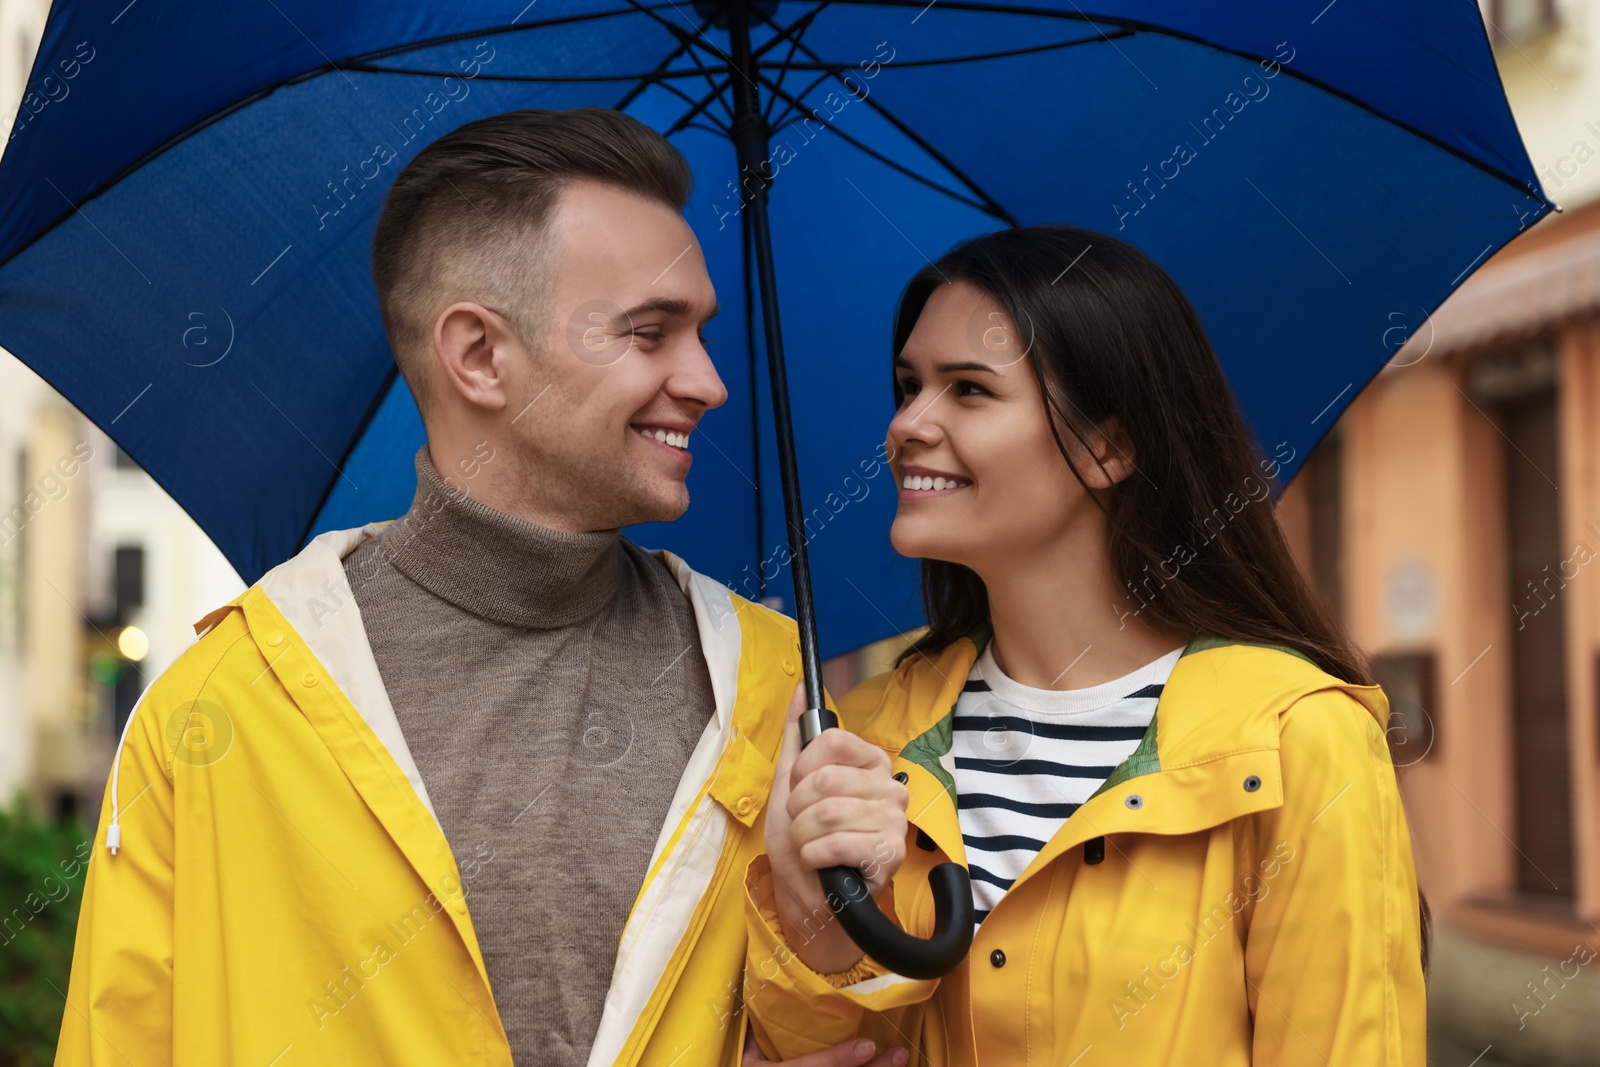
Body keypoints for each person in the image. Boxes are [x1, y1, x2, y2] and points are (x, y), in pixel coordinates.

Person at [56, 107, 906, 1067]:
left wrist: (822, 941)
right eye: (650, 331)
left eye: (701, 333)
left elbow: (863, 1036)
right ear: (478, 356)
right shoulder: (216, 715)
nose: (708, 380)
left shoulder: (781, 690)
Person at [742, 225, 1429, 1065]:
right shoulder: (860, 741)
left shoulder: (1294, 739)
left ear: (1109, 446)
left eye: (968, 390)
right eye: (908, 385)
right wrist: (817, 920)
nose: (907, 424)